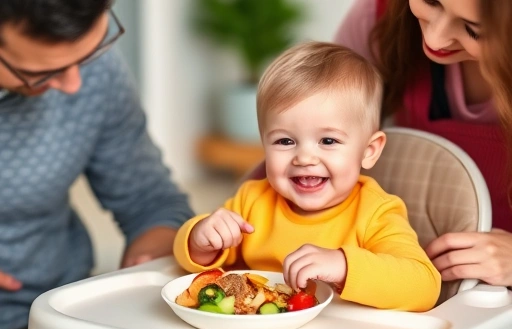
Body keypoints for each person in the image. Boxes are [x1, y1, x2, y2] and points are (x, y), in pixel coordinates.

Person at [0, 1, 194, 329]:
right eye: (42, 72)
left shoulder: (94, 71)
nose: (74, 85)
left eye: (89, 52)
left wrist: (154, 252)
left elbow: (151, 200)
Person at [173, 41, 441, 312]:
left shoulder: (376, 213)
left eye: (327, 140)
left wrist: (344, 266)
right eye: (285, 141)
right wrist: (200, 238)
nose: (304, 158)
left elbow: (424, 285)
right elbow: (194, 261)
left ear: (369, 151)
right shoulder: (252, 200)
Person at [334, 0, 512, 329]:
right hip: (400, 294)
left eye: (474, 30)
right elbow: (308, 136)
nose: (433, 36)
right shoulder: (376, 19)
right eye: (431, 1)